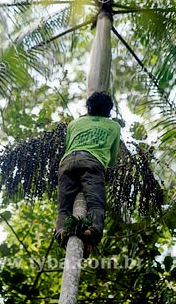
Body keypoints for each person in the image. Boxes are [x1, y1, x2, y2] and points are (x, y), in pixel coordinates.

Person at [54, 91, 121, 253]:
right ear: (109, 111)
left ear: (88, 107)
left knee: (64, 207)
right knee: (95, 203)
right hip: (92, 163)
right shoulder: (114, 126)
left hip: (68, 163)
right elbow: (112, 160)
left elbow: (68, 145)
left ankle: (61, 231)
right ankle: (93, 231)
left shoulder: (74, 124)